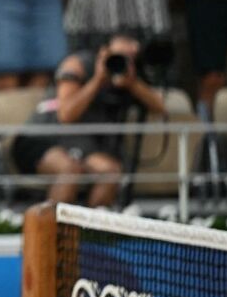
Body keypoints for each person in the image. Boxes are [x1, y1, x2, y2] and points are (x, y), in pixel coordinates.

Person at [11, 34, 166, 206]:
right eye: (116, 57)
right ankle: (51, 229)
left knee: (111, 171)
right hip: (43, 137)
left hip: (84, 146)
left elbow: (160, 107)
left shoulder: (132, 75)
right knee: (70, 169)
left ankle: (90, 229)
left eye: (129, 58)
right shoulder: (79, 64)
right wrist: (97, 80)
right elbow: (66, 115)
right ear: (103, 51)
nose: (119, 63)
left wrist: (133, 83)